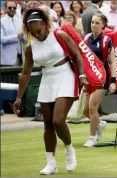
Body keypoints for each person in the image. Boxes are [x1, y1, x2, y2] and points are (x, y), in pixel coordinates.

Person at [12, 8, 88, 175]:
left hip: (65, 75)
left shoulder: (60, 35)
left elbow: (76, 54)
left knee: (58, 120)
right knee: (47, 123)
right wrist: (18, 98)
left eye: (39, 31)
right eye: (33, 33)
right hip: (47, 78)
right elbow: (25, 73)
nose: (37, 35)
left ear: (46, 25)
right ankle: (51, 163)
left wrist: (82, 75)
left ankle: (69, 150)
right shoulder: (30, 47)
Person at [83, 13, 117, 147]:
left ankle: (92, 137)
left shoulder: (106, 40)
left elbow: (113, 62)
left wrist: (113, 81)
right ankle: (100, 124)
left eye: (97, 23)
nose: (94, 25)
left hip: (103, 79)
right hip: (89, 78)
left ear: (103, 25)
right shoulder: (86, 38)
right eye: (92, 22)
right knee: (85, 110)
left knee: (92, 107)